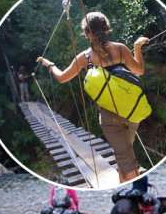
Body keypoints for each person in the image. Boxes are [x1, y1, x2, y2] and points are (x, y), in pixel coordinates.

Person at [37, 12, 150, 182]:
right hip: (131, 110)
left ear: (87, 33)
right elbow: (139, 70)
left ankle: (133, 195)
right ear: (106, 28)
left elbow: (62, 78)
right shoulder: (120, 48)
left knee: (125, 157)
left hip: (110, 116)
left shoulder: (85, 58)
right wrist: (137, 47)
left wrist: (49, 64)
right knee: (124, 154)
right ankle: (124, 192)